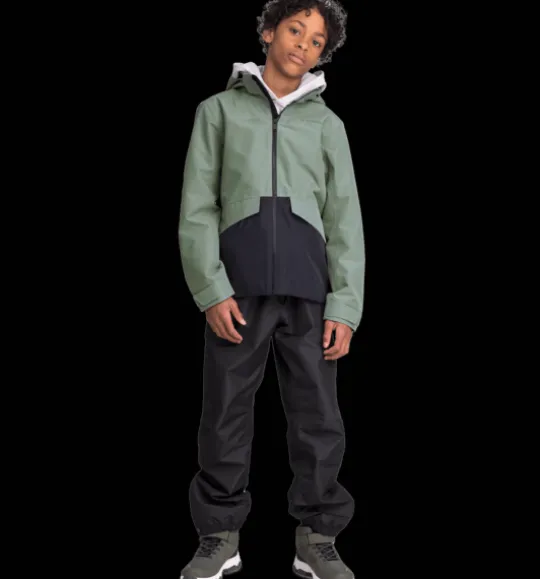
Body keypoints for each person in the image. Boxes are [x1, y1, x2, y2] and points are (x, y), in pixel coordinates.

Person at [178, 1, 364, 577]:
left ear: (322, 55)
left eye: (316, 41)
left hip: (310, 291)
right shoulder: (217, 112)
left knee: (318, 417)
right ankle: (219, 536)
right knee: (225, 412)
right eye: (294, 30)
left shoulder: (328, 125)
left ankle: (316, 537)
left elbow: (345, 219)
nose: (302, 45)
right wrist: (211, 290)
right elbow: (197, 207)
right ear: (267, 32)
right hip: (237, 291)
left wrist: (345, 306)